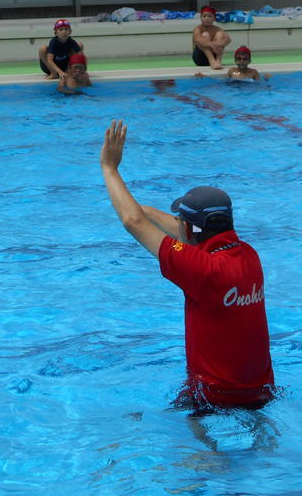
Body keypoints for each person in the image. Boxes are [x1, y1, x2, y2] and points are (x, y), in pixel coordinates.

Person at [99, 120, 274, 410]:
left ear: (190, 229)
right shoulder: (249, 256)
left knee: (133, 417)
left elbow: (132, 221)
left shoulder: (201, 269)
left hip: (212, 399)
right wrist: (145, 210)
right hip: (262, 393)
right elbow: (180, 231)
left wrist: (110, 169)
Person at [192, 5, 231, 70]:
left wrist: (220, 43)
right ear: (201, 17)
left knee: (220, 34)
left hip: (215, 56)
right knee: (205, 35)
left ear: (214, 18)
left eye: (210, 16)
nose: (207, 18)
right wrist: (211, 44)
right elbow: (197, 40)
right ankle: (211, 61)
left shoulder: (217, 29)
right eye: (204, 16)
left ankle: (218, 61)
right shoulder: (198, 28)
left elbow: (228, 39)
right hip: (200, 59)